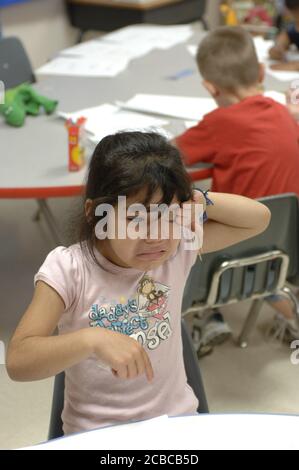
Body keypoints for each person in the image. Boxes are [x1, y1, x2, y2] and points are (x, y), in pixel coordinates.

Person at [6, 131, 270, 435]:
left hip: (176, 425)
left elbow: (258, 219)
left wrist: (199, 199)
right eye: (136, 219)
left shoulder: (176, 250)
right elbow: (18, 361)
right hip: (97, 435)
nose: (155, 236)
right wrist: (90, 340)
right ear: (96, 215)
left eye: (169, 217)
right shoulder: (70, 268)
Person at [174, 26, 299, 354]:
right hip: (284, 251)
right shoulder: (283, 114)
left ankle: (207, 316)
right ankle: (289, 315)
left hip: (225, 253)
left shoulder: (218, 123)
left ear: (209, 87)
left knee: (174, 223)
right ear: (260, 72)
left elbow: (171, 154)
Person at [269, 0, 299, 71]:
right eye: (293, 14)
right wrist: (276, 50)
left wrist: (295, 66)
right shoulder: (291, 30)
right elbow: (278, 46)